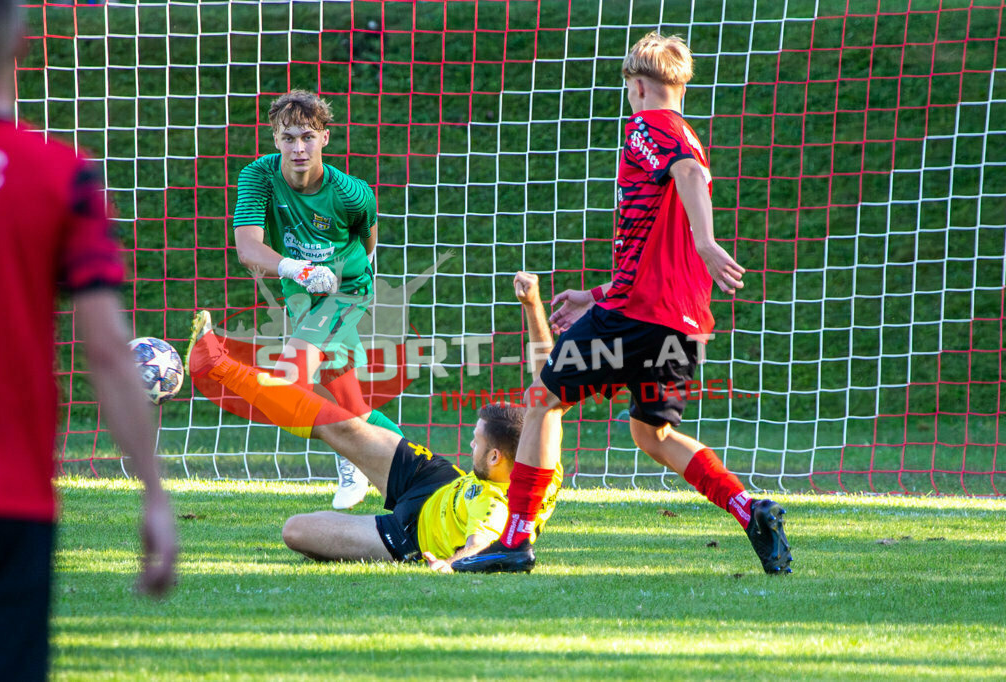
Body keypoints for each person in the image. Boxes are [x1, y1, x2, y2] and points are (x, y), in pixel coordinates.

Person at [453, 33, 792, 574]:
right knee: (652, 433)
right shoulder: (688, 132)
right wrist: (594, 296)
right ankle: (748, 508)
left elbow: (687, 173)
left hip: (640, 317)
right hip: (682, 322)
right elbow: (662, 238)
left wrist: (707, 243)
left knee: (541, 398)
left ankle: (514, 541)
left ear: (637, 86)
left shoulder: (646, 126)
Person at [0, 2, 177, 680]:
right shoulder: (63, 175)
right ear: (22, 35)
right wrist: (152, 492)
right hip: (11, 500)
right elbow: (105, 352)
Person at [185, 272, 560, 569]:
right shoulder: (541, 461)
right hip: (436, 481)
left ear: (496, 458)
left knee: (296, 530)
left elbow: (482, 543)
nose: (470, 445)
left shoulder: (499, 509)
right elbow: (547, 383)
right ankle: (218, 365)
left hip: (409, 534)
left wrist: (451, 564)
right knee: (345, 423)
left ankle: (325, 359)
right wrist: (532, 305)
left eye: (476, 442)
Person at [232, 89, 402, 509]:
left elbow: (368, 240)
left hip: (347, 287)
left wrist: (340, 275)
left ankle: (358, 455)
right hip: (298, 288)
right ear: (274, 139)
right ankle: (402, 463)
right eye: (288, 137)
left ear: (325, 137)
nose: (298, 147)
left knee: (293, 372)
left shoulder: (352, 193)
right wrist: (301, 270)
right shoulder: (258, 176)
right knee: (347, 402)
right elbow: (248, 249)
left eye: (308, 136)